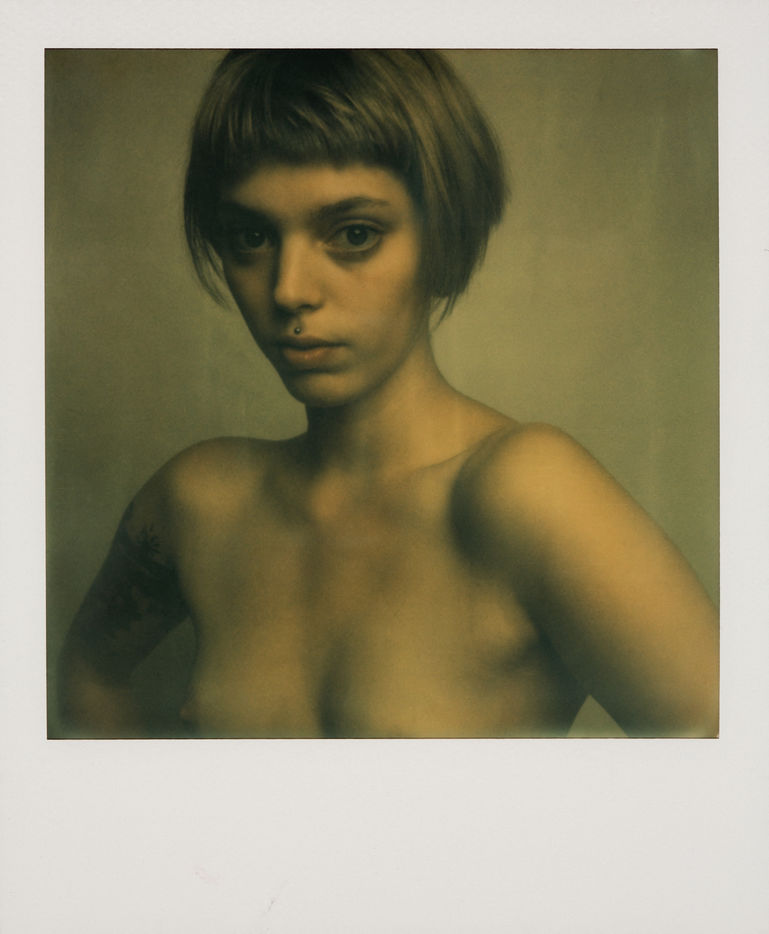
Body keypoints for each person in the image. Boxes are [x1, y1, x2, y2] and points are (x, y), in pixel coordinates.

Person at [57, 50, 718, 739]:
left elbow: (731, 762)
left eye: (353, 235)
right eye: (250, 237)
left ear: (444, 239)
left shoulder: (522, 491)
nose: (289, 289)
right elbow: (90, 676)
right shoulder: (199, 501)